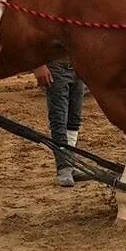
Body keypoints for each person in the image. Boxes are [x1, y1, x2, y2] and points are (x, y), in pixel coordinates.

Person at [33, 59, 86, 187]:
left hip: (76, 66)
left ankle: (70, 162)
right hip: (56, 67)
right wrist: (38, 65)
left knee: (74, 119)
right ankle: (64, 165)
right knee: (59, 118)